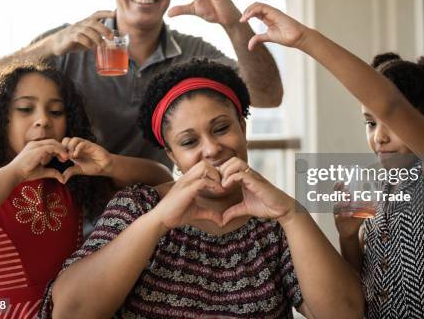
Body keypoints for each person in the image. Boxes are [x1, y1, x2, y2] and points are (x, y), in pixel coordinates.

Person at [39, 59, 363, 319]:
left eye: (222, 128)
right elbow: (69, 311)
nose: (211, 149)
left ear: (243, 127)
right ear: (172, 155)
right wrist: (157, 222)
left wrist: (293, 215)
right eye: (189, 141)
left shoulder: (274, 221)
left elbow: (345, 313)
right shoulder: (138, 207)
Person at [0, 0, 283, 168]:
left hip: (153, 212)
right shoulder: (66, 43)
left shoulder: (191, 54)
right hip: (70, 214)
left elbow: (268, 96)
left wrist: (233, 23)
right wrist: (50, 46)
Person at [239, 3, 424, 318]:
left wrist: (304, 39)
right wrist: (348, 236)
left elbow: (389, 104)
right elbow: (359, 289)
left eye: (392, 124)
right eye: (370, 122)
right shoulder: (376, 184)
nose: (379, 136)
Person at [0, 63, 171, 318]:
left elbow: (162, 181)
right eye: (26, 109)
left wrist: (110, 165)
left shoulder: (72, 178)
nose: (43, 120)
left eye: (56, 112)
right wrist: (13, 173)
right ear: (0, 118)